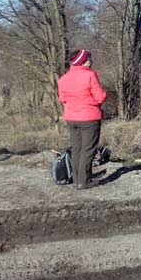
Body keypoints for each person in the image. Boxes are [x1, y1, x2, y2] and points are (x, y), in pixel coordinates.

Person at [57, 49, 107, 189]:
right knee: (88, 149)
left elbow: (62, 98)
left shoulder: (64, 78)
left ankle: (77, 178)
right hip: (89, 117)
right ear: (84, 61)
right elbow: (100, 97)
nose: (91, 61)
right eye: (89, 59)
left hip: (71, 117)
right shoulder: (90, 75)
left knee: (76, 148)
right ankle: (84, 181)